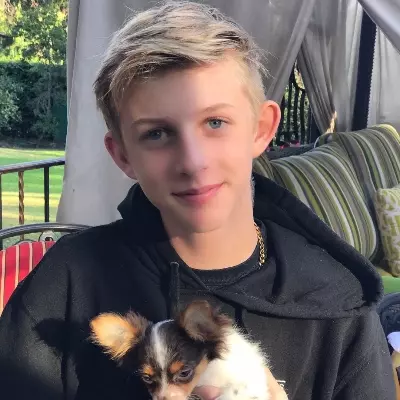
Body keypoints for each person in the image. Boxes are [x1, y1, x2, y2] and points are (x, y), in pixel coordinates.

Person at [0, 1, 395, 399]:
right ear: (122, 155)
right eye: (156, 133)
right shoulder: (66, 283)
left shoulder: (338, 305)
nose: (193, 161)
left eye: (215, 122)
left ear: (261, 129)